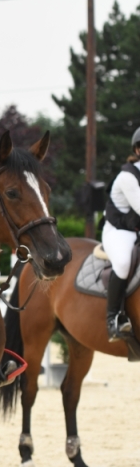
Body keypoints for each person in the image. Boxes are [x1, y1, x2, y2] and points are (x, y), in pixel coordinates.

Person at [102, 126, 140, 341]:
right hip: (119, 232)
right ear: (138, 150)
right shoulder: (128, 176)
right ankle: (113, 319)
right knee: (124, 263)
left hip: (137, 231)